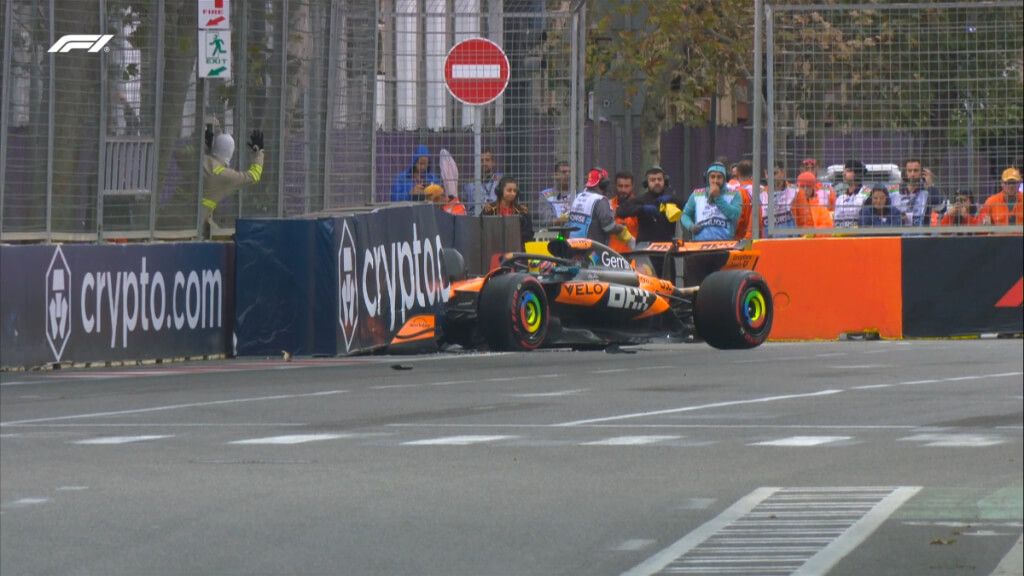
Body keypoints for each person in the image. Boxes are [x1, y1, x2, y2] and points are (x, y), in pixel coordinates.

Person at [202, 129, 265, 237]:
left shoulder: (200, 160)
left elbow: (181, 155)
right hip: (197, 220)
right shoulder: (224, 175)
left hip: (173, 215)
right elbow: (254, 176)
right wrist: (258, 153)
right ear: (230, 153)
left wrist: (205, 146)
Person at [615, 166, 685, 242]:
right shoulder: (641, 199)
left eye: (659, 179)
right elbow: (620, 211)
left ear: (665, 181)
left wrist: (673, 199)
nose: (657, 182)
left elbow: (687, 207)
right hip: (646, 248)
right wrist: (642, 209)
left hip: (667, 247)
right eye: (652, 180)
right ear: (646, 183)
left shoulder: (671, 199)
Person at [567, 167, 633, 246]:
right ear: (603, 184)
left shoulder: (578, 197)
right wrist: (621, 229)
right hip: (592, 251)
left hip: (573, 245)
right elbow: (608, 227)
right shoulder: (600, 200)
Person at [682, 162, 743, 241]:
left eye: (719, 177)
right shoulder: (696, 194)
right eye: (712, 177)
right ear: (707, 178)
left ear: (725, 179)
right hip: (699, 246)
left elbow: (735, 215)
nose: (715, 180)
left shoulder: (734, 194)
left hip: (725, 245)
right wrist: (691, 227)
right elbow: (685, 215)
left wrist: (718, 197)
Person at [756, 166, 812, 234]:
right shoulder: (760, 196)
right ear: (765, 174)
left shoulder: (796, 192)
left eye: (774, 173)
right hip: (768, 243)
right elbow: (752, 227)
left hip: (791, 242)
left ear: (783, 173)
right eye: (768, 173)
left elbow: (806, 222)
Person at [482, 176, 534, 243]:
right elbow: (481, 231)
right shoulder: (489, 210)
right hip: (493, 248)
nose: (512, 193)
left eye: (514, 191)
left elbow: (528, 235)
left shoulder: (522, 211)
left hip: (516, 249)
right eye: (509, 190)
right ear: (500, 191)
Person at [892, 158, 940, 226]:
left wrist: (930, 186)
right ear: (905, 173)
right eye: (909, 171)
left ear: (922, 173)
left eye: (916, 170)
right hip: (900, 234)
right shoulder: (896, 193)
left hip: (920, 234)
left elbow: (940, 207)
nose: (912, 174)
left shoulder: (927, 192)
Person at [608, 171, 640, 253]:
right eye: (620, 186)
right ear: (615, 186)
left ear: (632, 187)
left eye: (626, 186)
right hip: (611, 258)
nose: (623, 190)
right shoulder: (608, 205)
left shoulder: (638, 207)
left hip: (632, 258)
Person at [465, 148, 503, 215]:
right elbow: (468, 208)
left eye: (487, 160)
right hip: (476, 220)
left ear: (493, 163)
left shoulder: (500, 181)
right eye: (481, 161)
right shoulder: (470, 184)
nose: (484, 163)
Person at [536, 160, 574, 227]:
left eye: (569, 172)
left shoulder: (576, 194)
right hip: (555, 234)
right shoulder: (546, 195)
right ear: (555, 175)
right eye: (564, 172)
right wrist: (567, 218)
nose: (567, 175)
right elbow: (547, 220)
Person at [833, 160, 868, 228]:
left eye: (848, 171)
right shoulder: (840, 198)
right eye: (844, 171)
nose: (843, 174)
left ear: (856, 173)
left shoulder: (866, 194)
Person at [732, 160, 757, 239]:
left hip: (742, 241)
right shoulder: (762, 190)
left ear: (738, 173)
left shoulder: (737, 193)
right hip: (760, 240)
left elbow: (737, 220)